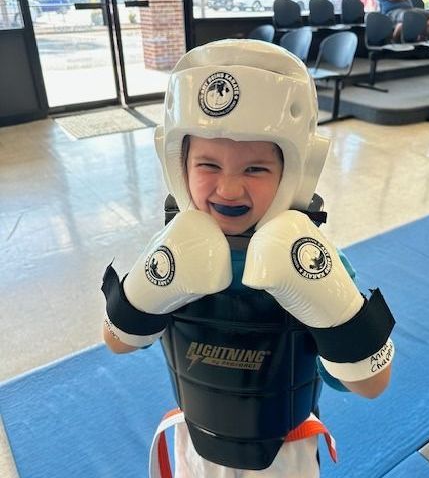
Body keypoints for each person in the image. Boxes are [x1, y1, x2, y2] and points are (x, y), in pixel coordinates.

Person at [101, 39, 396, 478]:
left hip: (284, 458)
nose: (229, 189)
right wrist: (149, 287)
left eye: (255, 168)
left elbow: (372, 384)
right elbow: (118, 341)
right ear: (179, 165)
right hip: (195, 448)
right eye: (207, 165)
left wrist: (328, 300)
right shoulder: (171, 249)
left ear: (293, 170)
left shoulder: (316, 260)